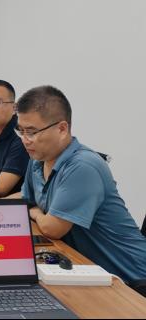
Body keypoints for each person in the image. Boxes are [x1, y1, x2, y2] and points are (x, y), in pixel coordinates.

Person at [14, 85, 146, 282]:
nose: (25, 140)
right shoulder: (37, 160)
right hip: (87, 269)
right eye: (21, 131)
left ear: (62, 129)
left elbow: (52, 228)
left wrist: (34, 212)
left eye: (32, 132)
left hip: (131, 279)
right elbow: (26, 199)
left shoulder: (83, 166)